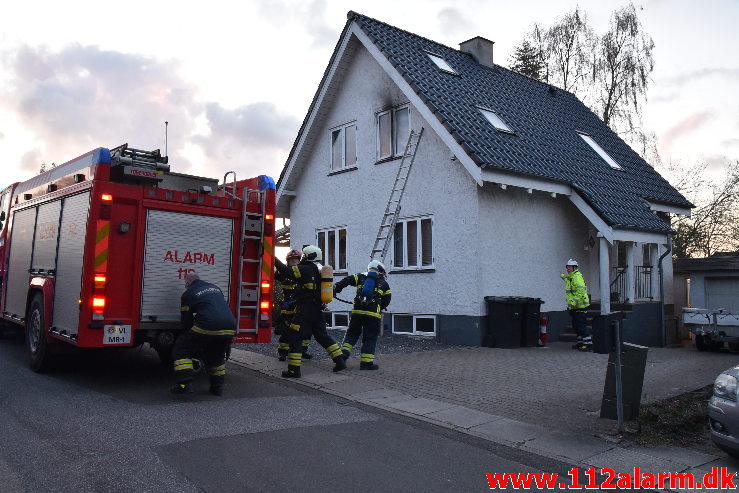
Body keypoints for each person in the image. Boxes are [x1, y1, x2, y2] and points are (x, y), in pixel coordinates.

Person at [273, 245, 346, 378]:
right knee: (322, 336)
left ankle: (294, 371)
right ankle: (339, 360)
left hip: (305, 310)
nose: (302, 258)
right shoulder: (320, 269)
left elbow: (286, 271)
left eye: (304, 256)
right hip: (317, 310)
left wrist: (273, 258)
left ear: (308, 256)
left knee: (295, 336)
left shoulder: (305, 269)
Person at [171, 273, 236, 396]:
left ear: (188, 283)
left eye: (185, 284)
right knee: (217, 355)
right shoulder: (215, 288)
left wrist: (186, 337)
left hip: (208, 325)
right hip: (230, 326)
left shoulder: (188, 293)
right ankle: (217, 388)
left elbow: (186, 320)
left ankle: (184, 385)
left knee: (181, 349)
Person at [334, 260, 391, 370]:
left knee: (351, 335)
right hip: (373, 315)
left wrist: (337, 288)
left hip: (357, 313)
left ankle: (342, 358)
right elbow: (387, 300)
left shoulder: (360, 277)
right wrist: (378, 307)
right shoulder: (383, 283)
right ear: (381, 271)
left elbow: (347, 280)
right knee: (370, 338)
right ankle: (366, 363)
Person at [274, 249, 312, 361]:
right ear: (288, 261)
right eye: (292, 260)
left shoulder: (302, 272)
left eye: (296, 260)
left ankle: (303, 351)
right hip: (288, 308)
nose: (294, 262)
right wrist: (280, 302)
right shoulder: (283, 273)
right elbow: (274, 279)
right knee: (286, 332)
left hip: (300, 307)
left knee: (306, 331)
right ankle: (283, 353)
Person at [560, 259, 591, 351]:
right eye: (567, 267)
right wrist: (563, 277)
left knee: (581, 325)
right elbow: (568, 281)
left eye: (570, 267)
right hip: (575, 307)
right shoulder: (571, 277)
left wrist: (573, 302)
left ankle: (588, 344)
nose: (568, 269)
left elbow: (581, 290)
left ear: (574, 268)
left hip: (580, 306)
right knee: (576, 325)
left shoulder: (577, 276)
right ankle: (580, 342)